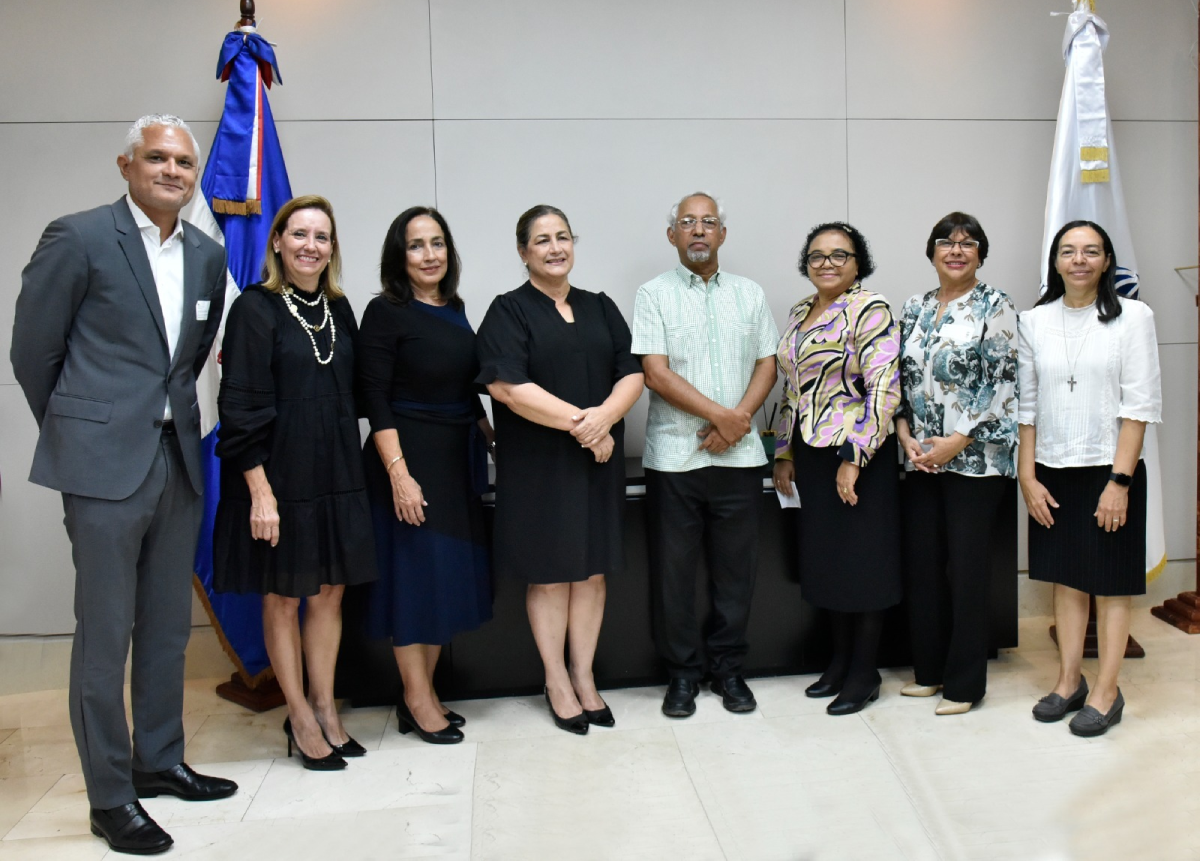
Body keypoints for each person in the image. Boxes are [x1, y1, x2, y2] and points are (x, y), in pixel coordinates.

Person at [10, 114, 236, 855]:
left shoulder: (206, 254)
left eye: (183, 161)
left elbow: (192, 357)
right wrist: (83, 429)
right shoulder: (76, 237)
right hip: (102, 467)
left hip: (177, 462)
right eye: (157, 157)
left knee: (168, 627)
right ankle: (111, 795)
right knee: (104, 639)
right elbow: (32, 350)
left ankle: (160, 758)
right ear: (126, 163)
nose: (172, 170)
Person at [212, 195, 377, 769]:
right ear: (277, 242)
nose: (311, 246)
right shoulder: (255, 310)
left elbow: (362, 389)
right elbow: (237, 407)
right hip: (276, 478)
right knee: (283, 597)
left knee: (329, 592)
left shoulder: (339, 306)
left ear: (332, 248)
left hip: (336, 472)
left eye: (322, 237)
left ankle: (327, 707)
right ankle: (299, 717)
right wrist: (260, 493)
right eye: (299, 234)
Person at [476, 205, 643, 735]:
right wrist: (587, 427)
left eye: (563, 237)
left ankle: (584, 675)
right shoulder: (508, 310)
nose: (555, 248)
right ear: (523, 252)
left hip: (598, 464)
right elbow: (506, 386)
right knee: (550, 577)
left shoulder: (600, 306)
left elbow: (632, 371)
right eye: (542, 240)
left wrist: (607, 420)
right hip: (540, 467)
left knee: (591, 573)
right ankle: (555, 680)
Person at [632, 191, 779, 719]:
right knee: (673, 575)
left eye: (708, 222)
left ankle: (730, 672)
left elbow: (768, 362)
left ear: (722, 234)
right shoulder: (653, 295)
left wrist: (737, 419)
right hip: (676, 458)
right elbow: (655, 372)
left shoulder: (749, 293)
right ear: (671, 235)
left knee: (735, 574)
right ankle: (682, 675)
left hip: (738, 461)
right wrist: (727, 418)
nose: (698, 230)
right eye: (687, 223)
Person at [1018, 220, 1161, 737]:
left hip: (1109, 470)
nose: (1079, 260)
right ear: (1055, 262)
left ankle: (1106, 691)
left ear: (1106, 261)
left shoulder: (1132, 317)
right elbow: (1027, 409)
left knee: (1110, 584)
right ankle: (1068, 681)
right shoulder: (1033, 321)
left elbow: (1139, 406)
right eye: (1068, 251)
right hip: (1052, 470)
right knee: (1067, 578)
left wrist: (1119, 482)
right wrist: (1027, 477)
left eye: (1091, 251)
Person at [358, 207, 494, 745]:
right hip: (406, 459)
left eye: (437, 243)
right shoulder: (385, 312)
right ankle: (415, 698)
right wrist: (398, 474)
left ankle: (426, 692)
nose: (429, 254)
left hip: (454, 462)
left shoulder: (455, 308)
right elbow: (374, 399)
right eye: (417, 245)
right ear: (400, 255)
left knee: (442, 583)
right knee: (412, 583)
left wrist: (491, 437)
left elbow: (464, 389)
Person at [772, 221, 901, 716]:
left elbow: (884, 388)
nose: (826, 262)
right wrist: (784, 452)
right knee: (829, 563)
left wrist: (855, 458)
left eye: (839, 255)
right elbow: (792, 391)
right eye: (817, 255)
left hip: (857, 454)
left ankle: (864, 671)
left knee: (862, 565)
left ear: (857, 262)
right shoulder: (801, 312)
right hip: (811, 453)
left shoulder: (870, 308)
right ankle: (842, 660)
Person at [894, 212, 1019, 715]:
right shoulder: (914, 307)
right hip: (920, 459)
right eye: (946, 242)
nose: (956, 250)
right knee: (923, 567)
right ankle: (928, 672)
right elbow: (897, 378)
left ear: (981, 255)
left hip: (976, 461)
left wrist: (956, 440)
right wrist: (904, 434)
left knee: (966, 572)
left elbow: (1001, 383)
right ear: (931, 252)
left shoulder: (997, 305)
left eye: (968, 244)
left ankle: (965, 684)